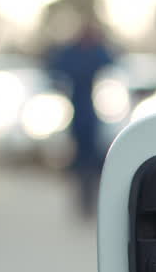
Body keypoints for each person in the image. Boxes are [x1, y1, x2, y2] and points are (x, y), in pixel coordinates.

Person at [46, 22, 115, 218]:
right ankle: (83, 202)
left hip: (95, 113)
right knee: (80, 161)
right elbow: (54, 68)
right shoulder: (72, 53)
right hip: (79, 114)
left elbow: (112, 64)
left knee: (93, 161)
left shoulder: (97, 52)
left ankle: (90, 201)